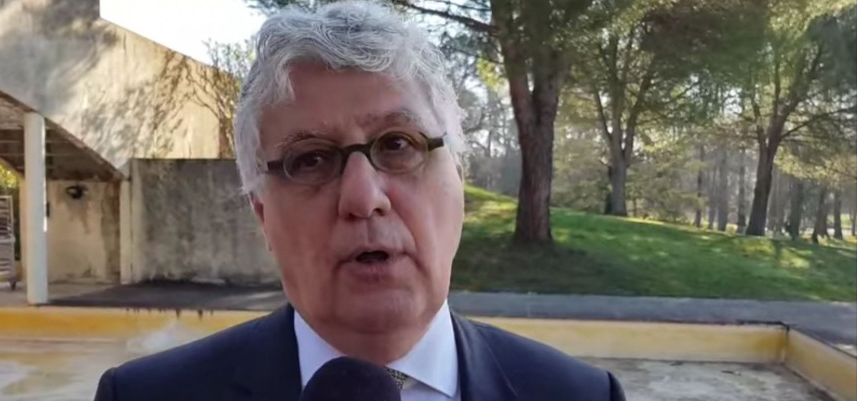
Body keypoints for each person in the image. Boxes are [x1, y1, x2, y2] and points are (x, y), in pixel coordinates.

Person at [94, 2, 625, 400]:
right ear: (262, 215)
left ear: (459, 179)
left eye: (398, 145)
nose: (363, 197)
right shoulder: (143, 395)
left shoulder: (581, 394)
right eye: (310, 160)